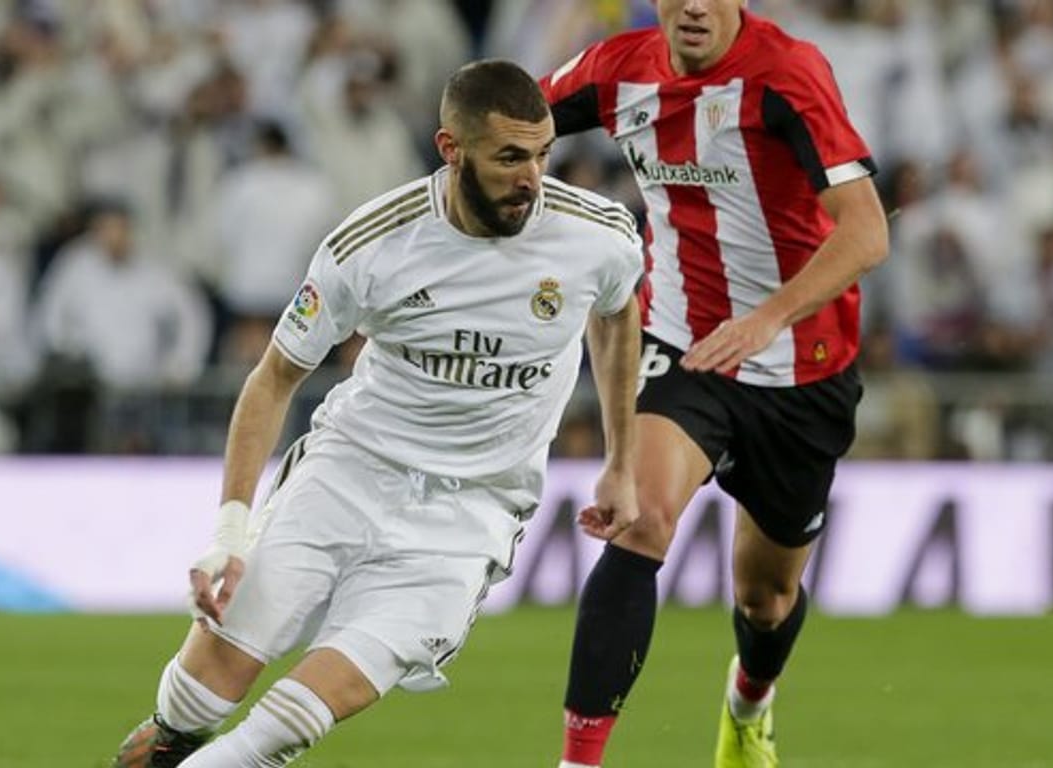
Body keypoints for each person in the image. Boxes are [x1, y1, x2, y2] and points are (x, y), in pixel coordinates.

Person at [111, 58, 644, 768]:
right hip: (348, 475)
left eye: (544, 155)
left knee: (286, 728)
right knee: (196, 703)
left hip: (468, 516)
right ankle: (170, 733)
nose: (532, 179)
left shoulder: (597, 234)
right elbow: (272, 380)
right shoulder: (372, 244)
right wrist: (229, 531)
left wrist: (620, 461)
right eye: (510, 157)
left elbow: (615, 317)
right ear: (451, 149)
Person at [539, 2, 890, 767]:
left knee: (764, 601)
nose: (694, 4)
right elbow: (511, 121)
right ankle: (578, 761)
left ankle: (748, 703)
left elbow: (867, 231)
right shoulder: (616, 70)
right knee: (641, 520)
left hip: (802, 367)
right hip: (682, 346)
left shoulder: (787, 76)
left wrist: (769, 316)